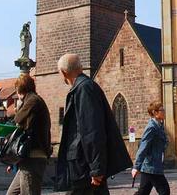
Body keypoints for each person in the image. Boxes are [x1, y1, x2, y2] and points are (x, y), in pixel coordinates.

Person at [54, 53, 132, 194]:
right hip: (83, 165)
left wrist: (96, 168)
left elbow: (92, 130)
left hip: (83, 167)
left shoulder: (84, 89)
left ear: (63, 73)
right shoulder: (82, 88)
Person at [6, 73, 51, 195]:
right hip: (27, 158)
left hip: (33, 157)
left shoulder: (33, 101)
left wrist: (17, 111)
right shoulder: (33, 100)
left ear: (20, 89)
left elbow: (19, 123)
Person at [131, 101, 170, 195]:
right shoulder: (151, 127)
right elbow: (143, 146)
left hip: (152, 166)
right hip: (151, 166)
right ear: (155, 112)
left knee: (143, 192)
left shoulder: (159, 126)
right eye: (162, 110)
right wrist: (136, 167)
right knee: (164, 191)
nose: (164, 111)